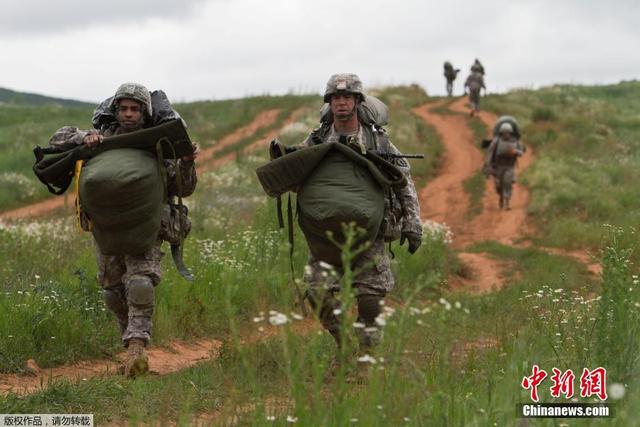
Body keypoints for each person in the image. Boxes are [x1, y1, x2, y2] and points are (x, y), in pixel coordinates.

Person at [48, 83, 198, 377]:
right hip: (107, 226)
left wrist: (187, 163)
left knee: (140, 283)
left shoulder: (159, 144)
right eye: (123, 109)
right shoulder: (104, 137)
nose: (128, 114)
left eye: (135, 109)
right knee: (113, 293)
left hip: (147, 223)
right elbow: (58, 138)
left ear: (145, 112)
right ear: (115, 111)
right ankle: (128, 341)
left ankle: (136, 349)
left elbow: (184, 188)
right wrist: (85, 138)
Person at [284, 74, 423, 359]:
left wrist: (412, 222)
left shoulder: (379, 141)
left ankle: (366, 356)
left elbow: (403, 181)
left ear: (357, 102)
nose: (341, 102)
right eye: (335, 98)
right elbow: (296, 171)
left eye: (347, 97)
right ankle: (345, 343)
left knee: (370, 298)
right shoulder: (318, 138)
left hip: (369, 230)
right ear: (330, 103)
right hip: (327, 233)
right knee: (316, 291)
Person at [483, 121, 525, 210]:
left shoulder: (516, 142)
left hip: (509, 166)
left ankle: (507, 203)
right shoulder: (496, 141)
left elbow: (521, 152)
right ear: (501, 133)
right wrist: (487, 165)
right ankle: (501, 196)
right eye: (504, 133)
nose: (506, 135)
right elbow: (490, 153)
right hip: (498, 166)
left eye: (508, 133)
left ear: (511, 133)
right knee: (499, 185)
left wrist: (515, 152)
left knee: (507, 183)